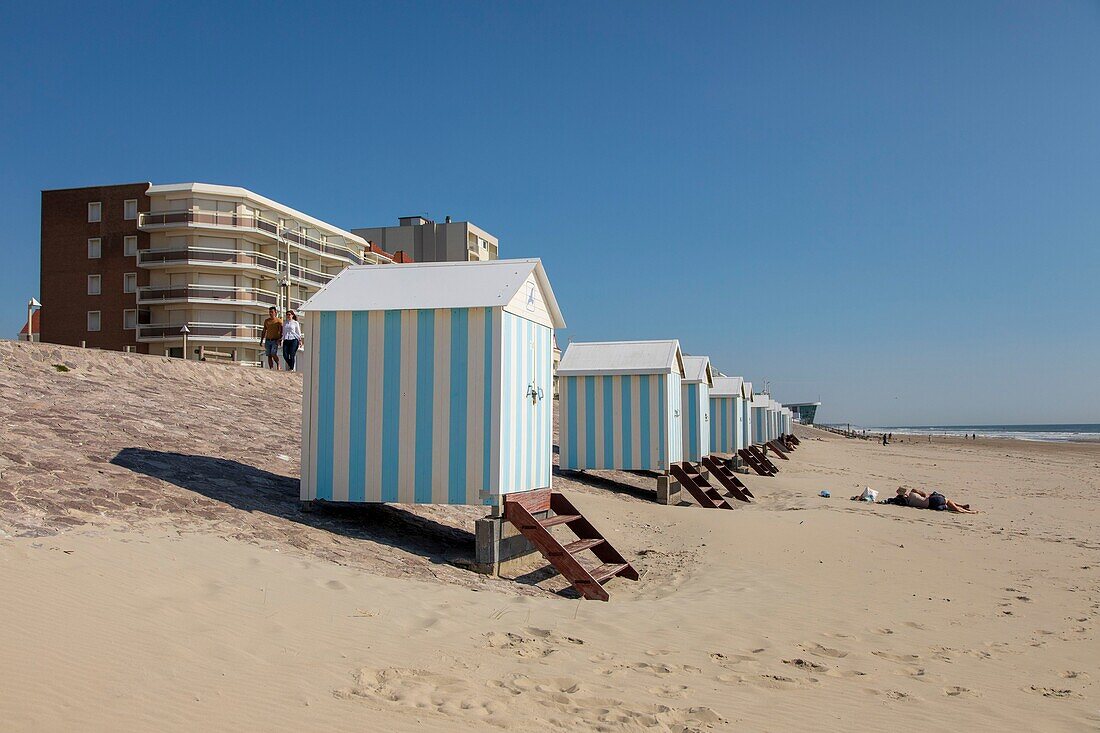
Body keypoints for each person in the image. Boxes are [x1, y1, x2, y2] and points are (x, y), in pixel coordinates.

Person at [895, 487, 977, 514]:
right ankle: (966, 510)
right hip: (932, 500)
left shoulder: (908, 503)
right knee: (947, 500)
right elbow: (924, 494)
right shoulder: (912, 492)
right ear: (905, 493)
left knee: (947, 506)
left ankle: (961, 507)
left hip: (931, 506)